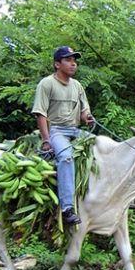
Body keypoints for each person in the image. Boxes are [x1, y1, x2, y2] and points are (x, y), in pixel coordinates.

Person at [32, 46, 95, 225]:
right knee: (66, 157)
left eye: (74, 60)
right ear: (57, 64)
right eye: (68, 60)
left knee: (101, 145)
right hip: (56, 130)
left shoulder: (78, 86)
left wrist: (87, 118)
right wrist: (46, 140)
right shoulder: (47, 83)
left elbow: (84, 112)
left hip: (74, 130)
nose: (73, 63)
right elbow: (40, 114)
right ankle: (67, 208)